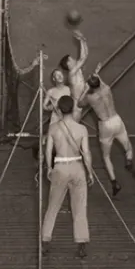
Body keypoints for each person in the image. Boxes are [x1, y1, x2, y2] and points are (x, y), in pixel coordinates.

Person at [41, 96, 94, 259]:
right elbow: (86, 153)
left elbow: (48, 151)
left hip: (60, 167)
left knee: (53, 206)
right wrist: (90, 171)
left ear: (59, 109)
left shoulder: (53, 129)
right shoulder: (81, 129)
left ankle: (45, 240)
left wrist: (49, 168)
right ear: (72, 108)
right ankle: (82, 243)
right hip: (77, 167)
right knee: (80, 207)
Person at [77, 64, 135, 196]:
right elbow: (99, 80)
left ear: (90, 85)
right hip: (116, 120)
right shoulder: (107, 89)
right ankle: (128, 161)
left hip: (105, 124)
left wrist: (85, 88)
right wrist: (96, 73)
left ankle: (114, 183)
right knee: (128, 147)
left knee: (106, 156)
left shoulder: (90, 98)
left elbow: (79, 103)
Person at [58, 30, 89, 122]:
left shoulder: (76, 69)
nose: (74, 59)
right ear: (68, 64)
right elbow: (83, 58)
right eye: (71, 59)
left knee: (73, 129)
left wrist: (82, 40)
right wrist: (81, 40)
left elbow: (85, 55)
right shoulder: (72, 73)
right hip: (75, 107)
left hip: (78, 105)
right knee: (73, 129)